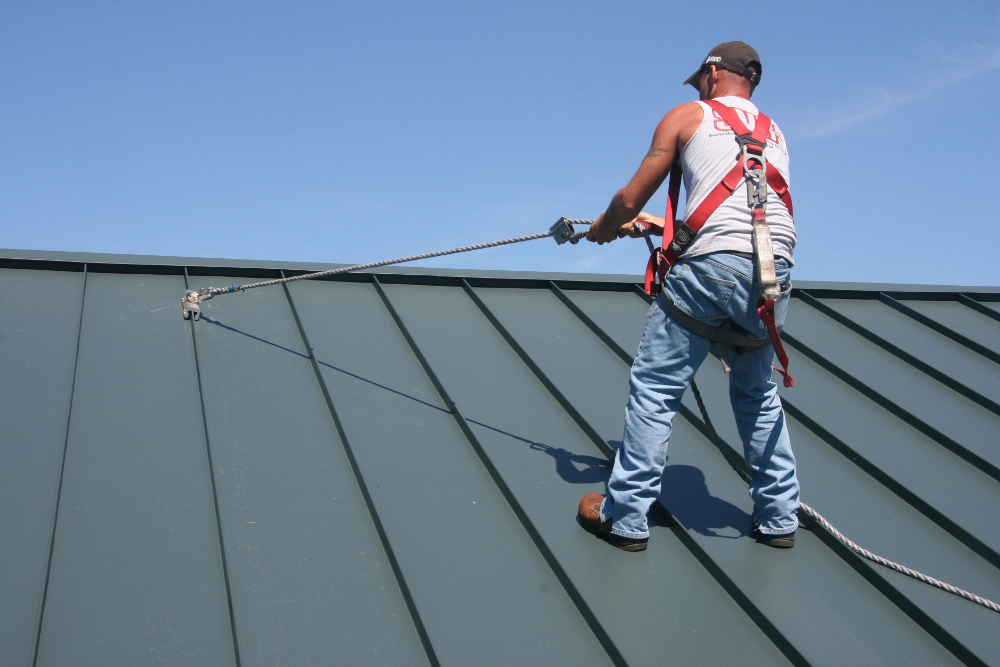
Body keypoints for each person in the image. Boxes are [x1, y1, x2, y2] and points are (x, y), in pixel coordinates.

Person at [577, 42, 799, 552]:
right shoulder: (775, 133)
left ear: (715, 73)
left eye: (701, 76)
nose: (698, 84)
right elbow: (745, 215)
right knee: (758, 395)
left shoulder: (687, 116)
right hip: (773, 274)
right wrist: (659, 225)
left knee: (656, 390)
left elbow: (629, 198)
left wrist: (606, 227)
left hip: (710, 269)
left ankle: (626, 518)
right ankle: (779, 517)